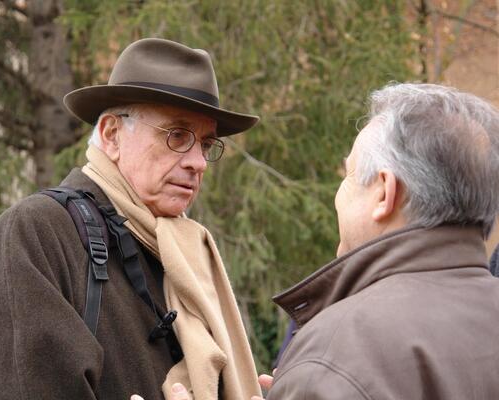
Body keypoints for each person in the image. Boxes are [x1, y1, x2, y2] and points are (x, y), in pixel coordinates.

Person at [0, 38, 261, 400]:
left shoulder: (183, 251)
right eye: (177, 136)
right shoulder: (37, 232)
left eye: (206, 145)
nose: (197, 162)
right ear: (112, 135)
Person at [160, 83, 499, 400]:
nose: (339, 194)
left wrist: (315, 382)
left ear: (385, 192)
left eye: (349, 176)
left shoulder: (340, 354)